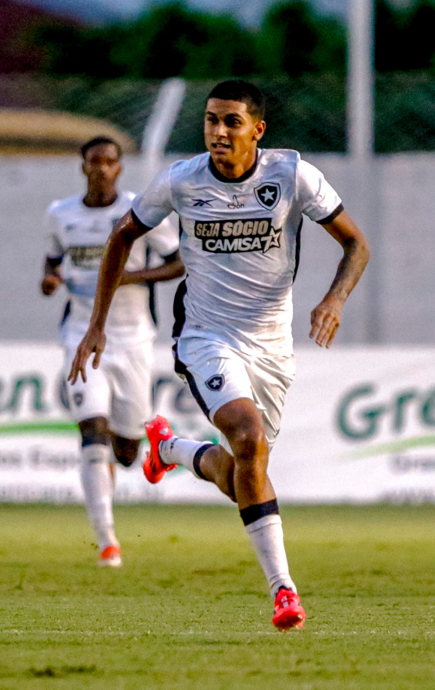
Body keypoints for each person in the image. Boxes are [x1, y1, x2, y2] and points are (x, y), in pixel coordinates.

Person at [69, 81, 370, 629]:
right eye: (212, 120)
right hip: (206, 335)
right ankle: (284, 591)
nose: (219, 131)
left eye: (232, 122)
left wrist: (334, 299)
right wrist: (96, 325)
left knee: (243, 475)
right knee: (248, 438)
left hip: (272, 346)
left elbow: (356, 243)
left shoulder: (293, 176)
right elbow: (121, 237)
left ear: (258, 130)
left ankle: (174, 450)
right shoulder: (182, 181)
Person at [44, 136, 183, 567]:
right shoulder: (60, 213)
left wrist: (129, 277)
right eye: (95, 161)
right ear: (83, 166)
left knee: (126, 453)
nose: (102, 168)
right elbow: (53, 260)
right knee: (92, 432)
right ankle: (107, 541)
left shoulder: (140, 211)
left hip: (133, 338)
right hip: (81, 335)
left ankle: (122, 459)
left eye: (110, 162)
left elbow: (180, 262)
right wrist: (50, 279)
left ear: (119, 168)